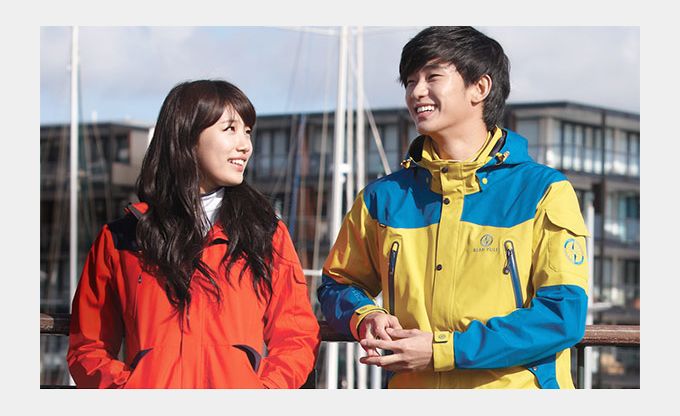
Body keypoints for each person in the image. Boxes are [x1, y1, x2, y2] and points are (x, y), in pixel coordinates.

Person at [318, 26, 589, 389]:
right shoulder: (381, 198)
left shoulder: (543, 192)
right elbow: (337, 284)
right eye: (410, 81)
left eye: (433, 77)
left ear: (480, 87)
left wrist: (444, 351)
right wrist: (366, 316)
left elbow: (561, 315)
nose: (416, 92)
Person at [67, 80, 320, 388]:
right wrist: (128, 390)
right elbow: (88, 346)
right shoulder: (122, 238)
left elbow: (296, 335)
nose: (245, 145)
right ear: (187, 136)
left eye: (247, 131)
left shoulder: (265, 233)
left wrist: (264, 390)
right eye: (230, 129)